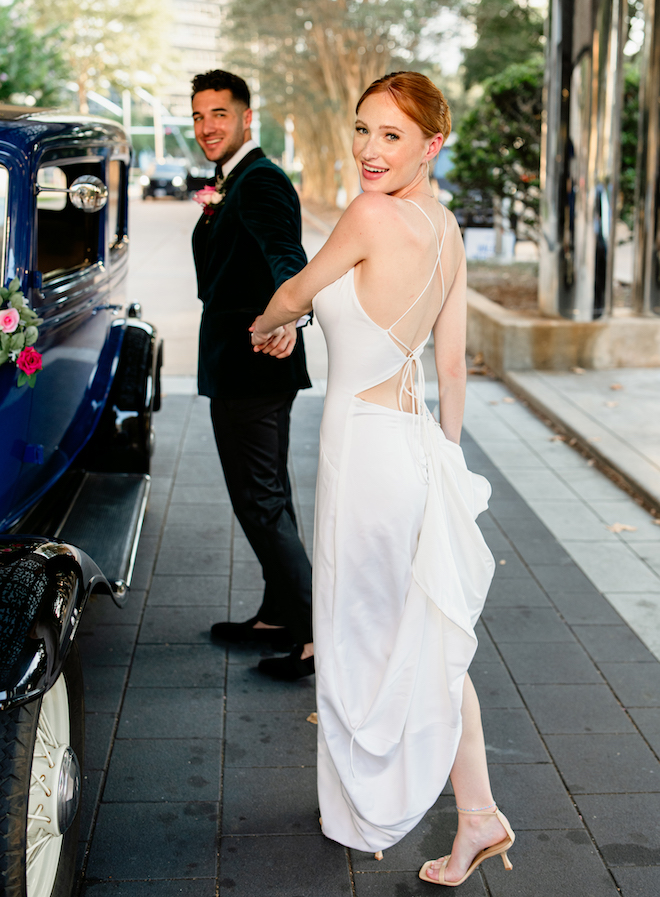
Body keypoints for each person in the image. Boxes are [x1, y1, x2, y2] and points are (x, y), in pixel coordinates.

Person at [250, 71, 514, 885]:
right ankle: (478, 814)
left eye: (392, 135)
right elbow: (448, 362)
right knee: (425, 634)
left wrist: (266, 322)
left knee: (357, 628)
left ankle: (371, 805)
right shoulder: (446, 229)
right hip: (413, 444)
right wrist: (447, 456)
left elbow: (298, 288)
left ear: (432, 144)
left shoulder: (369, 215)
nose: (369, 149)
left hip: (364, 450)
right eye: (363, 129)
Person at [190, 69, 314, 680]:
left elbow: (288, 260)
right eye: (197, 116)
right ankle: (278, 613)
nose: (206, 126)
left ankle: (316, 635)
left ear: (245, 118)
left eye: (218, 114)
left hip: (254, 367)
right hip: (239, 367)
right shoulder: (232, 179)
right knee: (266, 498)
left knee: (260, 502)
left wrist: (289, 316)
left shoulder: (260, 181)